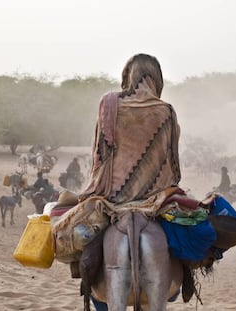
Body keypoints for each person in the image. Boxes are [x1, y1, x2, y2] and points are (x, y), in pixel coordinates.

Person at [79, 53, 182, 308]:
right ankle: (180, 283)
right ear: (156, 79)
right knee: (185, 241)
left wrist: (99, 188)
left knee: (84, 243)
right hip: (154, 202)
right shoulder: (166, 111)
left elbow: (99, 155)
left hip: (113, 201)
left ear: (128, 76)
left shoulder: (109, 103)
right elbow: (173, 165)